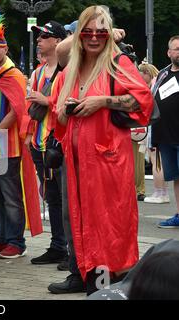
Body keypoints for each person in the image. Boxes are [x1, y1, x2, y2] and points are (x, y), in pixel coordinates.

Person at [50, 6, 153, 295]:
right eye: (87, 32)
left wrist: (103, 101)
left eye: (100, 32)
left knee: (110, 222)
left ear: (109, 35)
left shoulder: (117, 63)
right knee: (81, 220)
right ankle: (89, 277)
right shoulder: (72, 68)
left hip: (108, 159)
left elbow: (140, 100)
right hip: (77, 160)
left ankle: (111, 283)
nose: (94, 38)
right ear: (79, 34)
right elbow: (58, 113)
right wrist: (64, 110)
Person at [0, 9, 42, 259]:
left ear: (4, 50)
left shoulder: (12, 75)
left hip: (6, 144)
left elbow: (19, 108)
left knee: (10, 195)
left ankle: (16, 241)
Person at [26, 21, 68, 267]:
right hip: (40, 144)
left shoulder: (67, 70)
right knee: (51, 197)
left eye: (45, 36)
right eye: (39, 36)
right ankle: (58, 246)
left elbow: (70, 103)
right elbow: (29, 105)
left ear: (58, 41)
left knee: (66, 199)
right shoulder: (37, 71)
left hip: (59, 143)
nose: (39, 40)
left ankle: (70, 249)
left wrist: (47, 100)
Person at [152, 36, 179, 228]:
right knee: (176, 177)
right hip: (166, 136)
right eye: (176, 49)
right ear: (169, 53)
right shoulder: (162, 74)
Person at [139, 62, 170, 204]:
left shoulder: (154, 86)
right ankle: (162, 192)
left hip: (155, 126)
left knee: (155, 160)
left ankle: (160, 193)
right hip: (163, 126)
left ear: (146, 73)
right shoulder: (160, 81)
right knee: (159, 160)